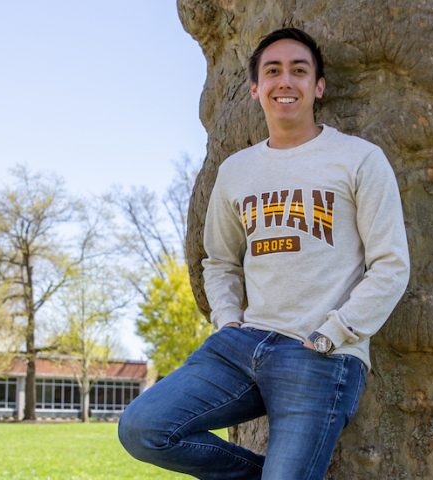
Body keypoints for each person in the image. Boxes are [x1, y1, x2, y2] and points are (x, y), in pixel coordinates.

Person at [118, 27, 410, 480]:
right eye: (272, 72)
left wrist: (334, 333)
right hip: (240, 346)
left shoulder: (358, 159)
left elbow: (391, 264)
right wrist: (227, 320)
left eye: (299, 70)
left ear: (319, 86)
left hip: (321, 354)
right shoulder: (238, 171)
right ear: (256, 88)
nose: (285, 81)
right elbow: (220, 260)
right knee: (144, 429)